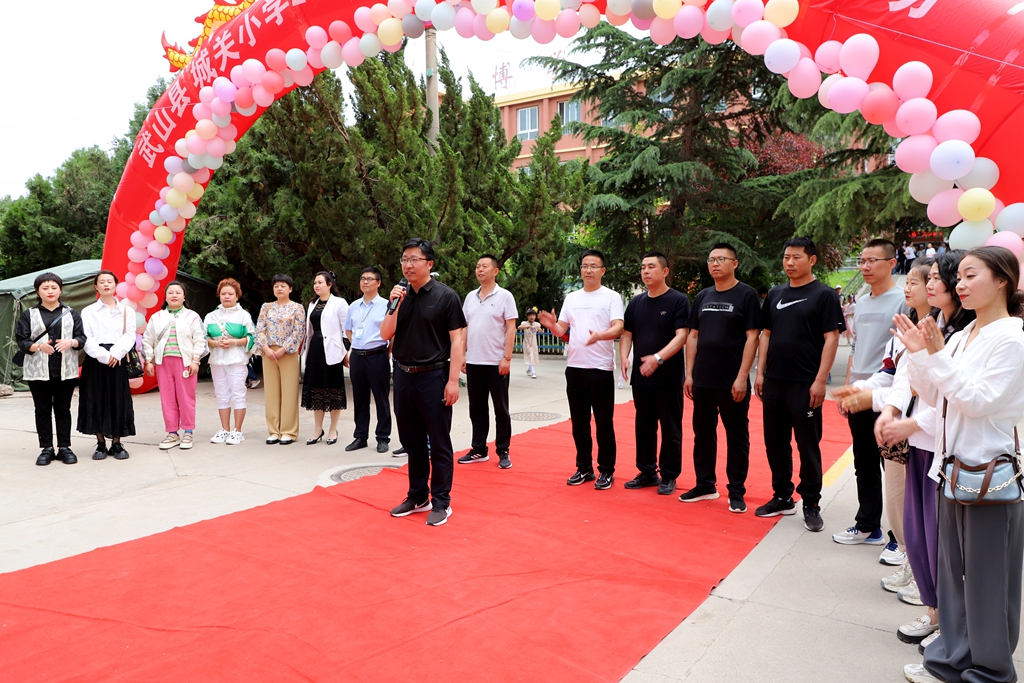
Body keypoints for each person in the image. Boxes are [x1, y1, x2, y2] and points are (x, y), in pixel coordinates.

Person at [896, 246, 1024, 683]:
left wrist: (937, 358)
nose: (961, 284)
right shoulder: (962, 335)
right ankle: (951, 660)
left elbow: (976, 400)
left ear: (1003, 279)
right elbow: (936, 397)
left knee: (989, 582)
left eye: (972, 275)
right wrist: (919, 353)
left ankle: (990, 672)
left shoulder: (1013, 337)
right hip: (952, 471)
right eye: (960, 277)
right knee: (952, 576)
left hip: (988, 478)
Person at [754, 237, 843, 531]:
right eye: (786, 257)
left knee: (807, 445)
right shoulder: (776, 293)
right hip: (775, 381)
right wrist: (760, 372)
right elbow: (766, 333)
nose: (790, 263)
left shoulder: (824, 295)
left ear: (812, 260)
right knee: (775, 443)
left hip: (805, 383)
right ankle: (782, 496)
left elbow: (832, 338)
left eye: (796, 257)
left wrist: (820, 381)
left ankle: (811, 502)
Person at [382, 238, 466, 527]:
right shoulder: (398, 297)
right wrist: (393, 305)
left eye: (414, 259)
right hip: (403, 376)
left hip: (435, 376)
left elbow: (457, 340)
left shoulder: (446, 296)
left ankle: (442, 501)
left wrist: (453, 380)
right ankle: (418, 496)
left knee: (439, 442)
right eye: (404, 259)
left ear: (429, 263)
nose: (408, 264)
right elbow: (384, 334)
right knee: (411, 441)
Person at [831, 239, 906, 547]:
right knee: (863, 461)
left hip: (888, 393)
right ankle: (868, 525)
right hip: (860, 391)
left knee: (894, 467)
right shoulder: (860, 302)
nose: (864, 267)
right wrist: (849, 386)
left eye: (872, 260)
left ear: (891, 263)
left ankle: (897, 535)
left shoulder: (903, 300)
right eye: (861, 261)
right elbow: (857, 346)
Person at [682, 243, 761, 512]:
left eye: (721, 259)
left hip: (732, 381)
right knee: (702, 434)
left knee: (736, 436)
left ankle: (736, 490)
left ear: (734, 263)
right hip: (702, 380)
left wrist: (742, 377)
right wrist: (689, 374)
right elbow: (693, 336)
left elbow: (753, 337)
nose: (715, 264)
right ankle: (705, 484)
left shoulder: (747, 295)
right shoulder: (702, 296)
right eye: (711, 259)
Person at [539, 249, 624, 490]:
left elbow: (618, 327)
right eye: (585, 266)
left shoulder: (611, 297)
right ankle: (584, 467)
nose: (588, 270)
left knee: (604, 422)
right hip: (575, 368)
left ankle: (606, 470)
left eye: (593, 266)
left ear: (602, 271)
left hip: (600, 368)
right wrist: (551, 325)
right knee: (579, 422)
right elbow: (561, 329)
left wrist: (600, 335)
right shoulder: (572, 298)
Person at [618, 251, 689, 495]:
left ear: (665, 271)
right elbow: (627, 334)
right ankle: (647, 471)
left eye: (651, 267)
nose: (646, 271)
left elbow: (682, 336)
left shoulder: (678, 300)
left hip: (668, 377)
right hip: (642, 377)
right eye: (642, 267)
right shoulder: (636, 302)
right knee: (644, 425)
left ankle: (669, 475)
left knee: (670, 427)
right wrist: (624, 358)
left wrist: (658, 359)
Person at [15, 272, 85, 466]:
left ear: (60, 289)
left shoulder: (72, 313)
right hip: (38, 371)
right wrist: (38, 346)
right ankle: (46, 447)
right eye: (45, 288)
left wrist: (71, 341)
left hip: (65, 369)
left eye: (54, 287)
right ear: (38, 291)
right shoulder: (29, 314)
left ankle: (64, 447)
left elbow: (82, 338)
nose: (50, 291)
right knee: (42, 409)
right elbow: (21, 340)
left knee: (63, 409)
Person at [459, 255, 518, 469]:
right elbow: (465, 328)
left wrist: (507, 357)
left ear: (496, 271)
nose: (480, 269)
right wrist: (462, 355)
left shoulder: (505, 296)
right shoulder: (470, 297)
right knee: (477, 409)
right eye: (477, 266)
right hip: (474, 362)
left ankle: (503, 451)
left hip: (496, 362)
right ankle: (479, 449)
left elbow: (511, 328)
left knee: (501, 409)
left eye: (484, 266)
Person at [78, 271, 136, 461]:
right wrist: (105, 356)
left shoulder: (127, 311)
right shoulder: (88, 311)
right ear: (96, 287)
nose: (106, 285)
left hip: (118, 359)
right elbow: (87, 338)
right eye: (101, 282)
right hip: (96, 360)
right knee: (95, 399)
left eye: (109, 281)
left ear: (116, 285)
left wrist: (116, 353)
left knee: (118, 398)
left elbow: (130, 335)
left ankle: (117, 443)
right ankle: (101, 443)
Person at [144, 280, 208, 450]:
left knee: (186, 398)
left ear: (184, 296)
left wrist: (195, 360)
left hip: (185, 363)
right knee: (167, 398)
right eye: (170, 292)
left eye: (178, 292)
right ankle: (172, 433)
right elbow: (147, 339)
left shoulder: (192, 316)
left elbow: (200, 339)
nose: (174, 295)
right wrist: (149, 360)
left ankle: (188, 432)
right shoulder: (157, 317)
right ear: (165, 296)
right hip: (163, 363)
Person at [344, 267, 392, 453]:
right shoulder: (354, 306)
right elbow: (348, 330)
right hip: (357, 356)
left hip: (377, 355)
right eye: (362, 278)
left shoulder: (387, 305)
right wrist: (356, 343)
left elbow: (393, 332)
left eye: (370, 279)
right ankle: (360, 436)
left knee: (381, 398)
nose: (365, 282)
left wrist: (387, 351)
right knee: (360, 398)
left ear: (378, 283)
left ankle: (382, 437)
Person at [205, 278, 256, 445]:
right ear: (219, 295)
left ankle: (238, 431)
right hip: (217, 361)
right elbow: (203, 338)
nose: (226, 296)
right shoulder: (211, 316)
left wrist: (234, 342)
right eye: (223, 293)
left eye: (230, 294)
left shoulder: (244, 315)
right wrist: (216, 343)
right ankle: (225, 429)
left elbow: (251, 337)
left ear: (237, 296)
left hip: (237, 360)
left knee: (238, 394)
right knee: (221, 395)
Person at [256, 274, 305, 445]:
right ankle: (274, 431)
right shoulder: (266, 307)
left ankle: (288, 431)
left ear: (290, 289)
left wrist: (284, 348)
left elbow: (299, 332)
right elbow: (260, 329)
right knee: (271, 392)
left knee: (289, 391)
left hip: (288, 353)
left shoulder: (297, 308)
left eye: (283, 285)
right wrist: (266, 348)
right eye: (276, 286)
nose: (279, 288)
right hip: (268, 352)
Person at [302, 271, 349, 445]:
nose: (317, 285)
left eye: (320, 282)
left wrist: (345, 351)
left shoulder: (339, 303)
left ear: (329, 284)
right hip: (315, 349)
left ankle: (333, 428)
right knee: (317, 390)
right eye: (315, 283)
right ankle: (317, 429)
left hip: (333, 350)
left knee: (333, 390)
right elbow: (310, 329)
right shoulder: (312, 304)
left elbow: (346, 329)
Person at [518, 308, 541, 378]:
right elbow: (519, 327)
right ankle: (533, 372)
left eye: (533, 315)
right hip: (527, 342)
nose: (532, 317)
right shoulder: (524, 323)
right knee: (530, 355)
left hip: (533, 342)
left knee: (533, 356)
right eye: (530, 315)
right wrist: (528, 326)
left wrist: (536, 328)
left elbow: (541, 330)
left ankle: (529, 369)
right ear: (527, 316)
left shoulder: (536, 324)